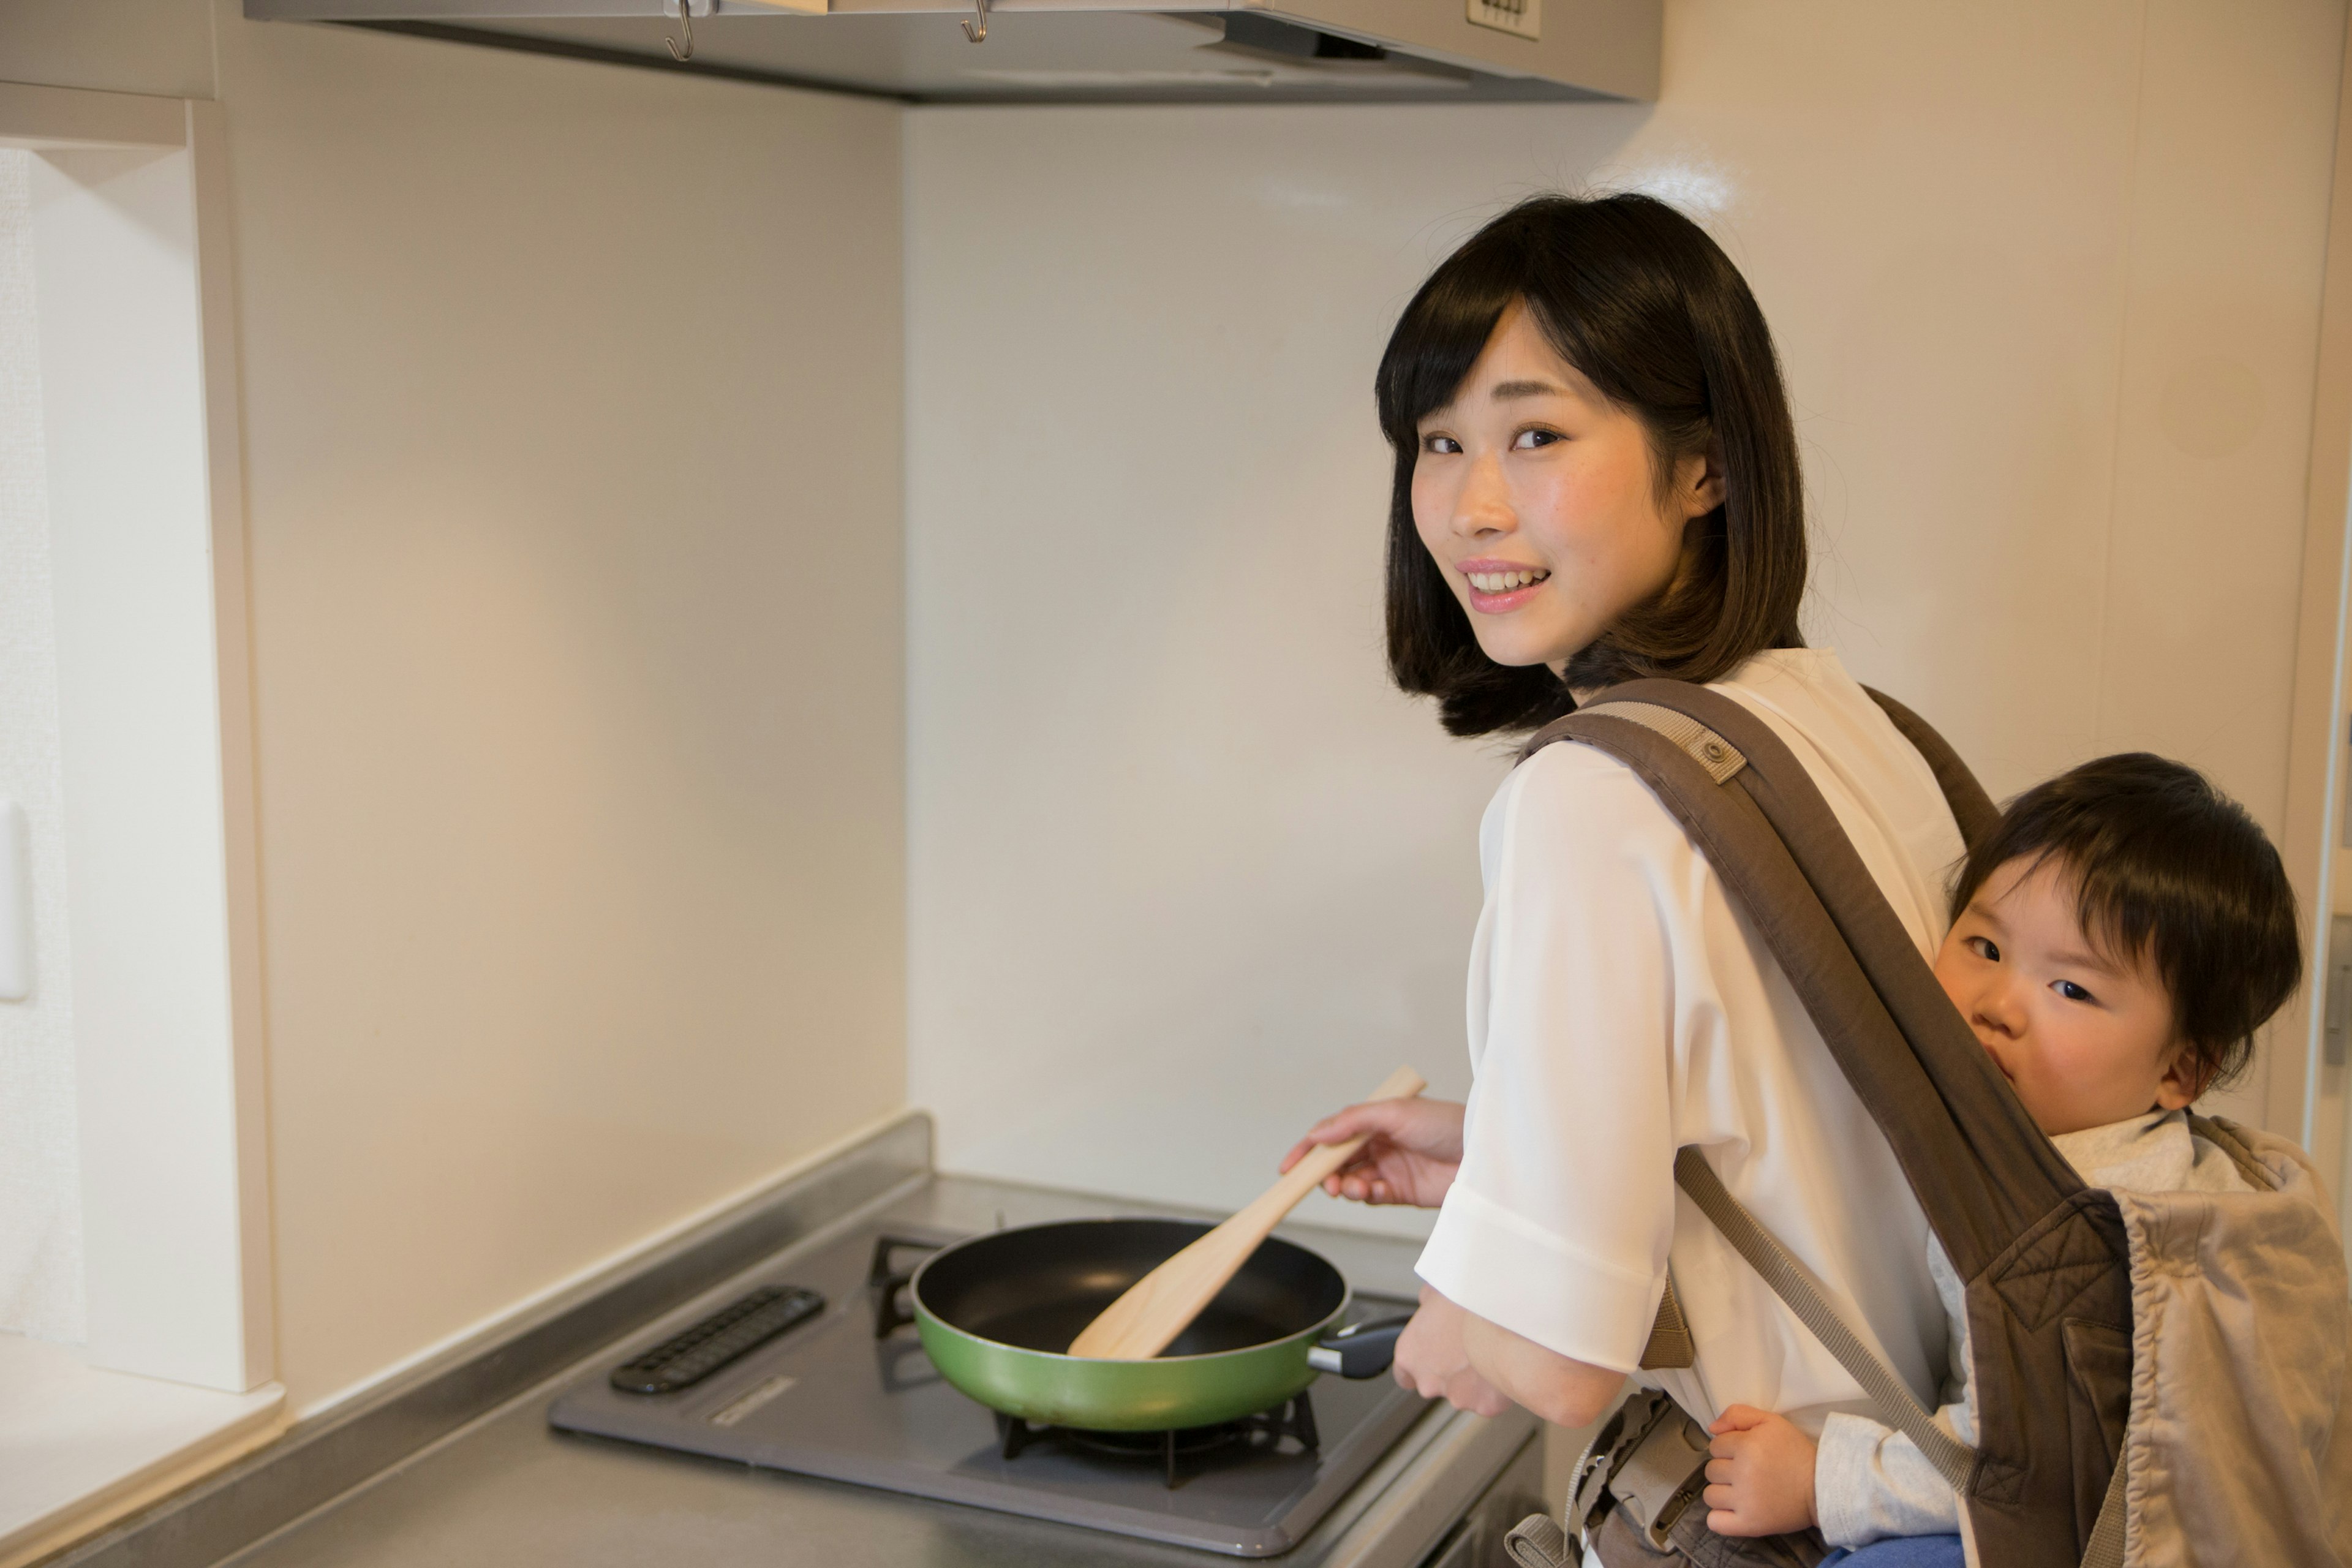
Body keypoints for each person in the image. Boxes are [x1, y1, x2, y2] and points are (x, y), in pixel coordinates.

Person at [1284, 191, 1965, 1544]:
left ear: (1704, 465)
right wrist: (1501, 1148)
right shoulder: (1842, 718)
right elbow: (1796, 1125)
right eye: (1440, 442)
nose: (1473, 505)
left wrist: (1460, 1316)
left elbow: (1558, 1359)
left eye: (1537, 434)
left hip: (1792, 1522)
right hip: (1919, 1489)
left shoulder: (1594, 797)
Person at [1697, 752, 2302, 1566]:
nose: (2001, 1005)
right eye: (1984, 945)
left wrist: (1818, 1480)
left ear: (2180, 1072)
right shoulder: (2130, 1159)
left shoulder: (2070, 1226)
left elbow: (2026, 1474)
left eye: (2073, 991)